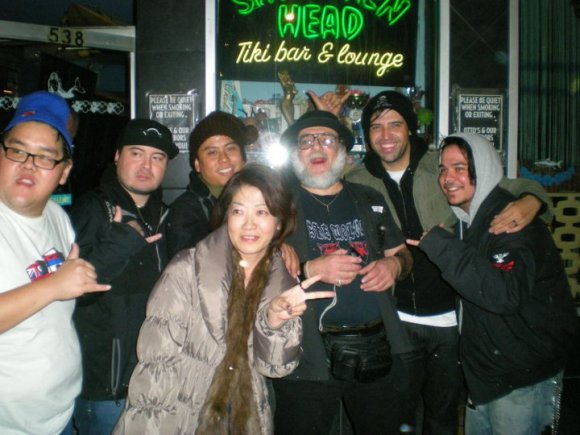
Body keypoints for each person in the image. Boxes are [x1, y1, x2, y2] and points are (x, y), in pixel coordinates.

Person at [345, 90, 553, 434]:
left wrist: (533, 200)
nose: (386, 136)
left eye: (395, 124)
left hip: (450, 318)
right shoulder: (357, 182)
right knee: (397, 419)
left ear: (410, 128)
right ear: (366, 133)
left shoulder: (439, 167)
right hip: (393, 319)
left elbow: (504, 184)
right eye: (375, 127)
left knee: (443, 418)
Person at [113, 164, 334, 434]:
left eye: (262, 212)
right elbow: (155, 370)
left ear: (278, 223)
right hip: (182, 419)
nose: (249, 223)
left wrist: (274, 322)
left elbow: (276, 368)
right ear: (226, 215)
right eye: (238, 211)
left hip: (248, 418)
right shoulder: (187, 268)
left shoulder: (281, 280)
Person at [407, 132, 577, 435]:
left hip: (521, 378)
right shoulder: (470, 218)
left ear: (482, 168)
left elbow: (502, 294)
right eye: (444, 169)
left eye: (459, 167)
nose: (448, 178)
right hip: (489, 375)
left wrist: (442, 247)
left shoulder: (510, 220)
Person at [272, 110, 414, 435]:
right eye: (306, 141)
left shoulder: (370, 199)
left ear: (343, 153)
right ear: (296, 153)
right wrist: (310, 267)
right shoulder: (277, 204)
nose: (316, 147)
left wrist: (394, 265)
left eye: (327, 139)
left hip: (376, 350)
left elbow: (404, 256)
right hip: (306, 359)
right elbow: (249, 268)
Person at [0, 91, 110, 434]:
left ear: (64, 172)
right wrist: (54, 286)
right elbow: (54, 288)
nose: (29, 164)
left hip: (59, 413)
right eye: (17, 150)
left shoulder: (56, 217)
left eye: (46, 157)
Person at [69, 118, 179, 434]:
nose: (146, 165)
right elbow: (72, 294)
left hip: (152, 381)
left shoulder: (164, 215)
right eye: (136, 153)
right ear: (117, 156)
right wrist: (120, 242)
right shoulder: (94, 208)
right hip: (107, 387)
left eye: (157, 157)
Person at [166, 110, 257, 258]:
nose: (224, 159)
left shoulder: (259, 199)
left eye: (230, 148)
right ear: (197, 164)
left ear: (243, 158)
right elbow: (195, 271)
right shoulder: (185, 212)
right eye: (212, 152)